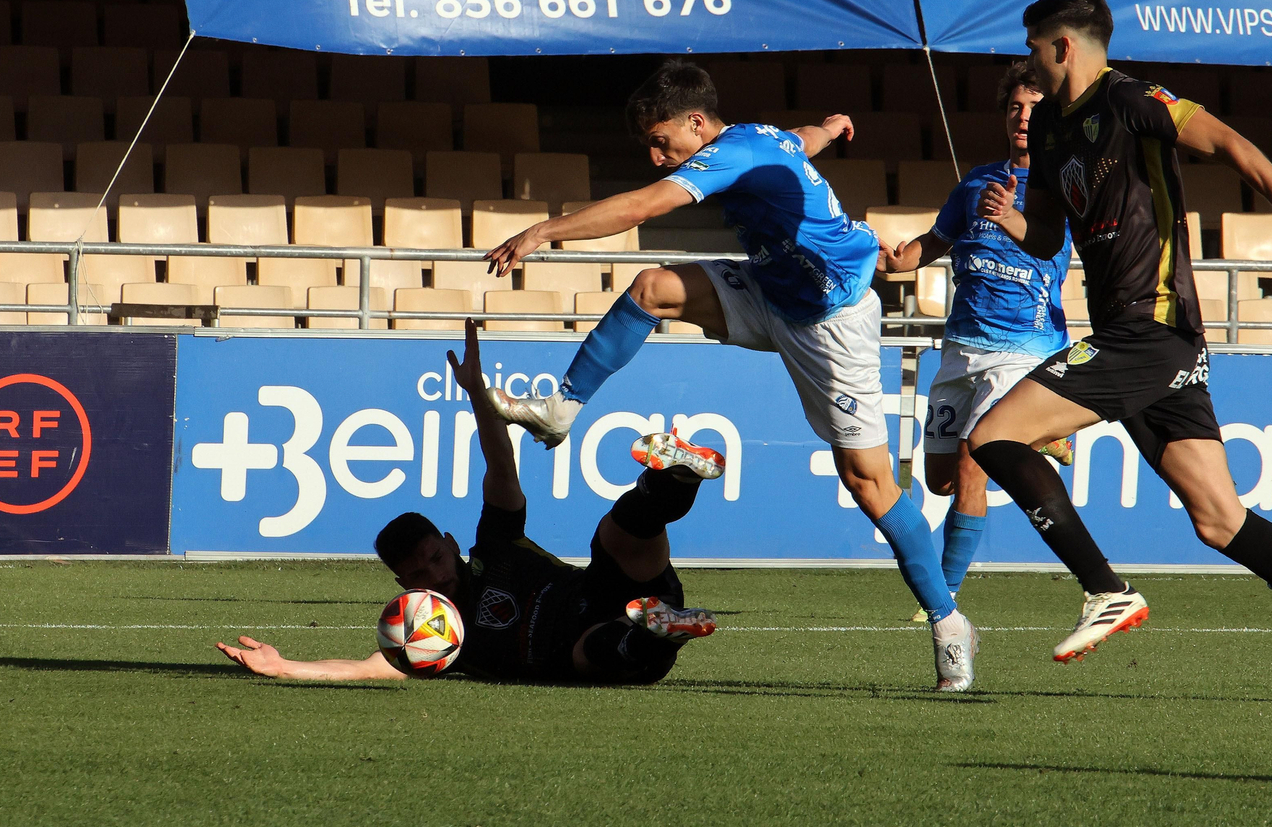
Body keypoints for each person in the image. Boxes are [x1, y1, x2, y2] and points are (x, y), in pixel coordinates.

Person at [964, 0, 1272, 705]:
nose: (1028, 63)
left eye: (1031, 48)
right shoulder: (1049, 127)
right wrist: (1012, 221)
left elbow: (1230, 142)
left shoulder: (1133, 100)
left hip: (1152, 329)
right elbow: (1050, 236)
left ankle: (1104, 590)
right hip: (1136, 338)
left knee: (992, 435)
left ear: (1061, 47)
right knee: (1219, 520)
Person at [481, 61, 979, 691]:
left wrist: (543, 232)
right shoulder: (761, 137)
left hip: (833, 317)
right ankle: (564, 408)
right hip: (772, 289)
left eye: (663, 141)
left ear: (697, 122)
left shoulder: (731, 152)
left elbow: (641, 207)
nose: (660, 157)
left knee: (869, 482)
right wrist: (829, 126)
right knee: (653, 288)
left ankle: (948, 622)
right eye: (650, 147)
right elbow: (800, 139)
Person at [216, 321, 721, 685]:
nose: (435, 577)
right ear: (403, 585)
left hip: (606, 587)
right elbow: (372, 667)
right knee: (591, 652)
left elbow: (500, 465)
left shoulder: (494, 545)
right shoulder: (436, 637)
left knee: (615, 533)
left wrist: (478, 394)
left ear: (451, 543)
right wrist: (286, 667)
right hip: (602, 645)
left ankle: (676, 476)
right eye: (419, 574)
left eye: (436, 558)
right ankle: (659, 633)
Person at [878, 60, 1075, 621]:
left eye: (1035, 109)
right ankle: (1040, 437)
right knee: (939, 481)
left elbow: (1050, 244)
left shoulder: (1062, 186)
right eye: (1015, 107)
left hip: (1023, 348)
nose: (1022, 117)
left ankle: (942, 597)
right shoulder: (974, 184)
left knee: (972, 465)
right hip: (961, 346)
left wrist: (1014, 214)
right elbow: (935, 239)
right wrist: (900, 262)